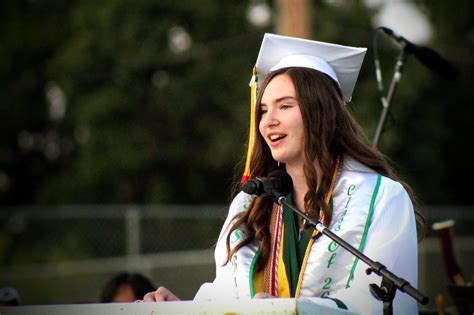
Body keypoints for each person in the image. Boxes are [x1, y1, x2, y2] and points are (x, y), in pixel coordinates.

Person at [143, 33, 425, 314]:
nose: (269, 121)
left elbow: (386, 307)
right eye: (263, 110)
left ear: (321, 112)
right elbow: (228, 296)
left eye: (285, 106)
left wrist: (290, 310)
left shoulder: (380, 197)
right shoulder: (252, 203)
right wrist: (181, 308)